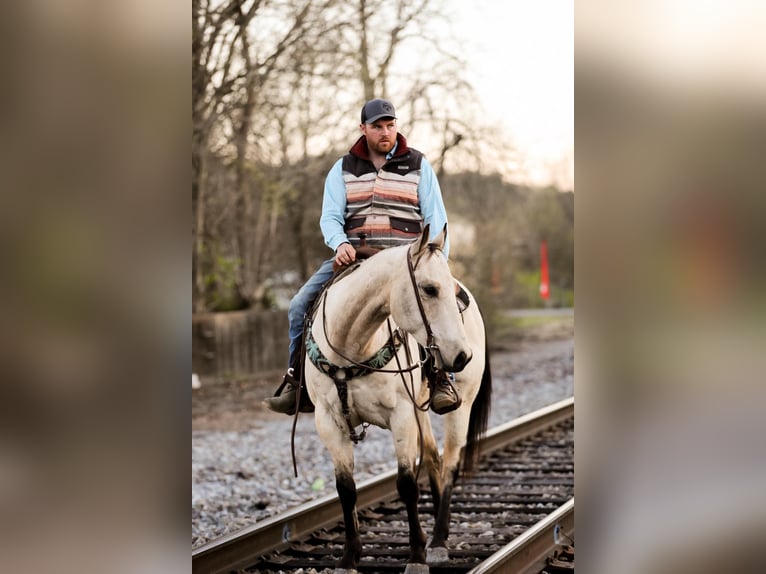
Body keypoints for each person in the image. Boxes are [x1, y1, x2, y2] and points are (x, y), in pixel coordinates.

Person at [265, 98, 460, 415]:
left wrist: (437, 265)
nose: (386, 132)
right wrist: (339, 242)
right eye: (378, 126)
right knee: (300, 304)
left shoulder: (419, 165)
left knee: (437, 304)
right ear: (363, 129)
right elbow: (330, 217)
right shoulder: (342, 169)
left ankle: (441, 378)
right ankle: (296, 381)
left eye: (390, 125)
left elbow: (437, 220)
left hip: (407, 264)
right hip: (355, 260)